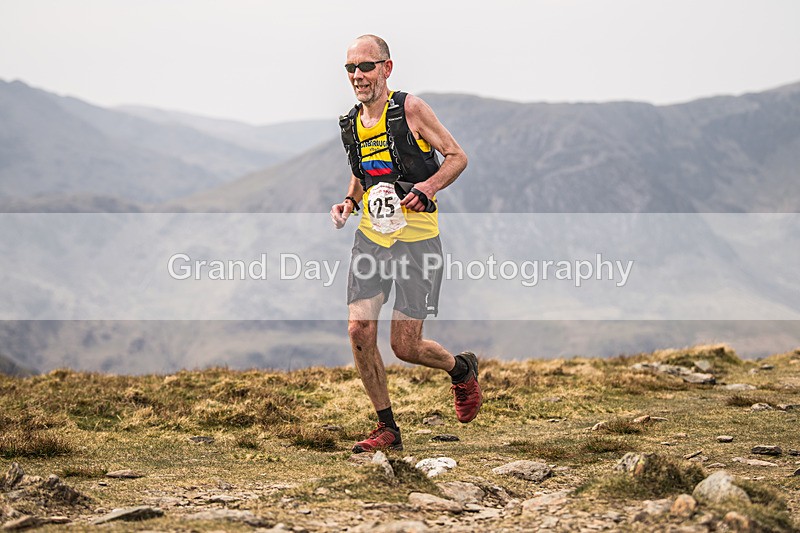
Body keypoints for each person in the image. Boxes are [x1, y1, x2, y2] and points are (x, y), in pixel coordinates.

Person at [330, 35, 482, 453]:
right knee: (359, 330)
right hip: (372, 239)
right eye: (351, 68)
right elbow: (364, 175)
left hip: (418, 242)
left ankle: (461, 368)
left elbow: (456, 156)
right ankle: (388, 429)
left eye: (366, 66)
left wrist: (428, 188)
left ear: (386, 68)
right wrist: (348, 202)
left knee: (405, 347)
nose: (358, 76)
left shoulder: (409, 109)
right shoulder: (351, 123)